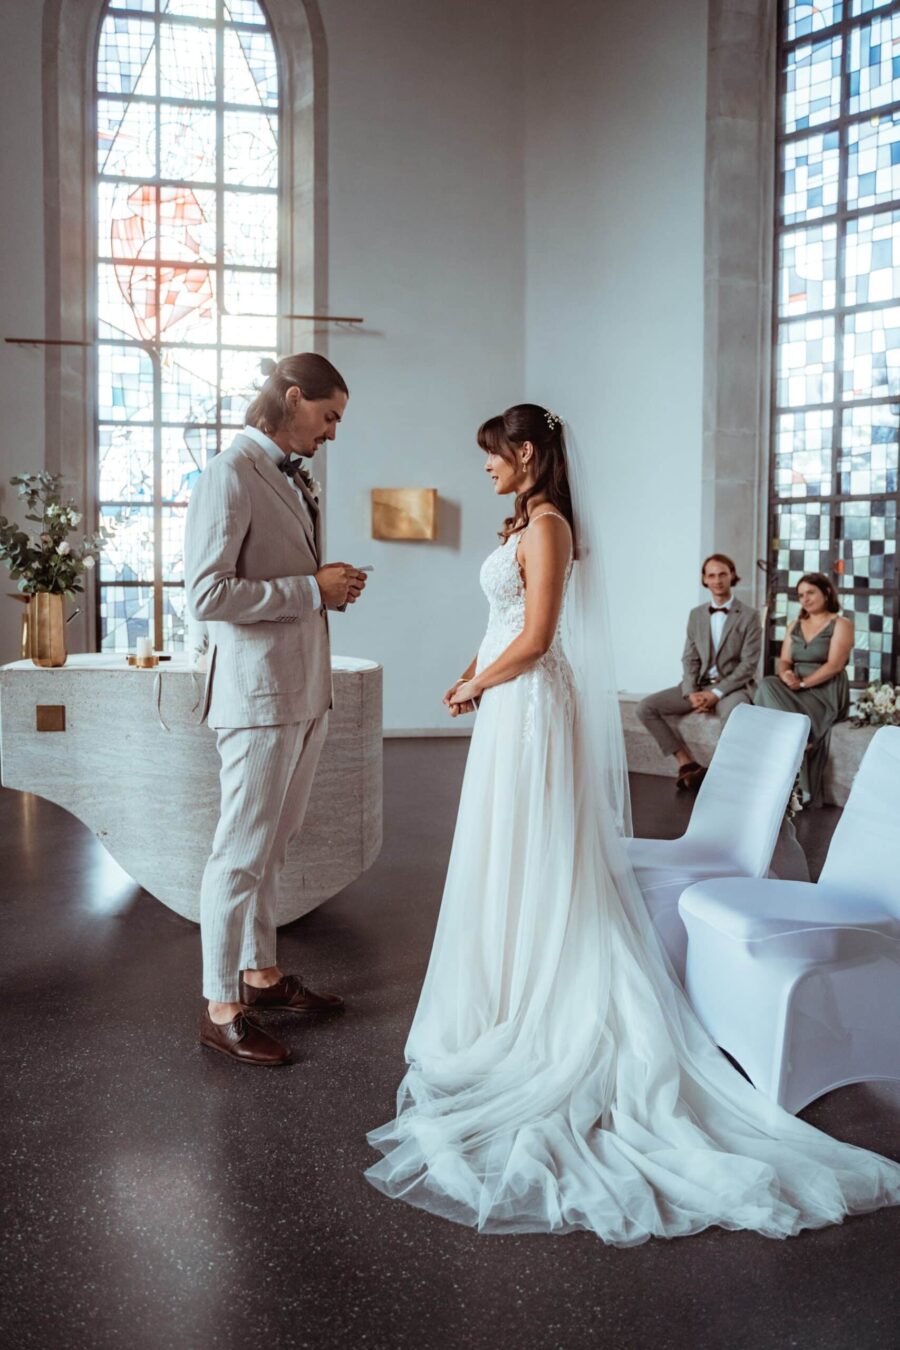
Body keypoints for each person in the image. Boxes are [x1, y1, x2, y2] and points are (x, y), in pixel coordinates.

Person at [365, 404, 900, 1242]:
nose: (486, 469)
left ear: (531, 453)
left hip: (530, 704)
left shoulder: (549, 526)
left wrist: (482, 685)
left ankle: (539, 1002)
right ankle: (504, 989)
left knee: (534, 851)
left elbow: (538, 638)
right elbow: (499, 625)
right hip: (506, 700)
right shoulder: (521, 523)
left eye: (495, 456)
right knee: (504, 853)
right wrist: (467, 670)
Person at [184, 353, 368, 1067]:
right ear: (294, 399)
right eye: (329, 417)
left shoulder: (294, 474)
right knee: (238, 851)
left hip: (300, 688)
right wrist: (311, 589)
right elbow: (206, 596)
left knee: (273, 844)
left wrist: (329, 586)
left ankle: (260, 973)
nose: (331, 433)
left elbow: (283, 574)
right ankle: (220, 1005)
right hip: (257, 696)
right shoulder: (229, 473)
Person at [636, 555, 762, 791]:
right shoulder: (696, 614)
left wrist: (715, 693)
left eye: (723, 574)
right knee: (646, 707)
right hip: (699, 684)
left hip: (732, 687)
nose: (717, 580)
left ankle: (728, 779)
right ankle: (686, 763)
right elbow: (690, 657)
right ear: (704, 579)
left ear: (732, 575)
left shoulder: (750, 616)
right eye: (711, 575)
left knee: (736, 714)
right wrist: (691, 692)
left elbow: (748, 665)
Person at [755, 573, 852, 807]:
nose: (805, 599)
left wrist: (804, 683)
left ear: (826, 592)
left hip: (825, 690)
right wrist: (787, 674)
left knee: (773, 705)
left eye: (810, 593)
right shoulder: (794, 625)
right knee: (767, 684)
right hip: (796, 686)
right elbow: (785, 661)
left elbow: (835, 665)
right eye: (800, 595)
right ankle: (802, 740)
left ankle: (796, 757)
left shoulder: (841, 624)